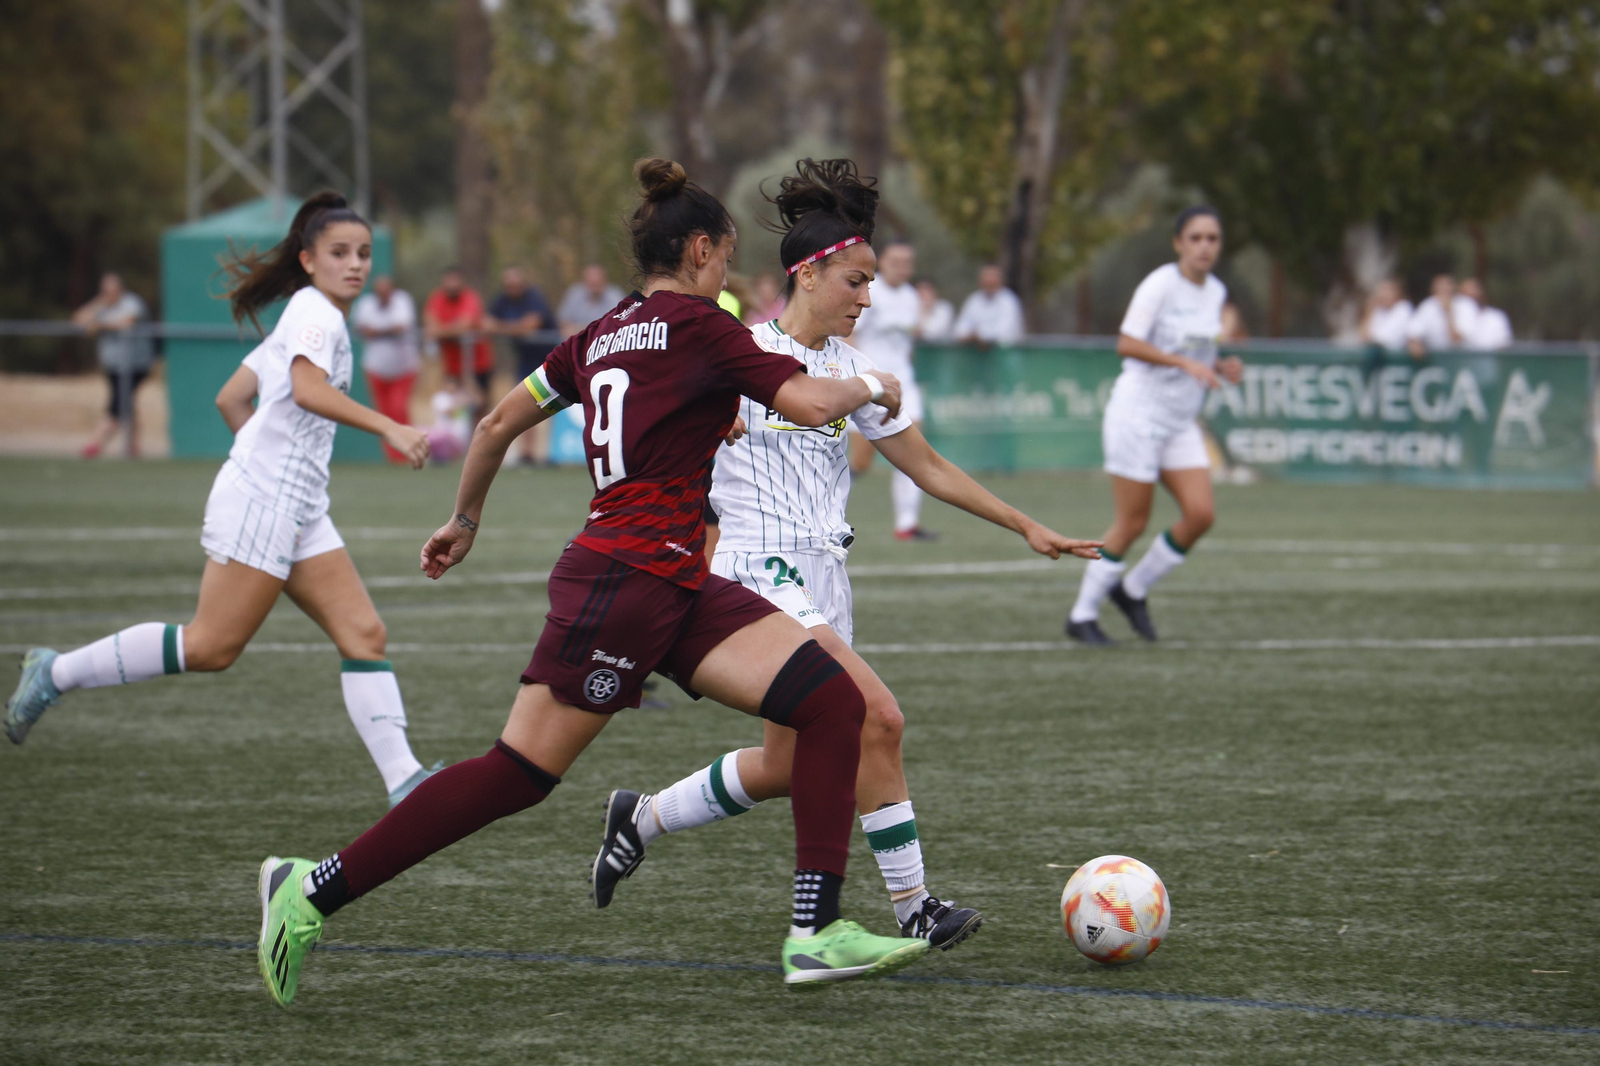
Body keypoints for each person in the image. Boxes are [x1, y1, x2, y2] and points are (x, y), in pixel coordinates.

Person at [254, 158, 929, 1007]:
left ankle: (817, 931)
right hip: (626, 578)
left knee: (834, 703)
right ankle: (310, 889)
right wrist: (872, 381)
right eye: (722, 256)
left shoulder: (600, 334)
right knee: (516, 775)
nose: (727, 273)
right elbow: (805, 402)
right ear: (697, 249)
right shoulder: (701, 324)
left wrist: (465, 519)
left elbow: (499, 420)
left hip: (674, 575)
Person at [590, 159, 1101, 952]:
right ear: (809, 274)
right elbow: (664, 424)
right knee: (876, 718)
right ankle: (915, 908)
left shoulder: (846, 372)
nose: (867, 299)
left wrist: (1026, 526)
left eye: (870, 285)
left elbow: (927, 467)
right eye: (856, 282)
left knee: (787, 765)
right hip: (759, 573)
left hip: (826, 575)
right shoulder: (738, 352)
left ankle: (641, 817)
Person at [6, 192, 440, 810]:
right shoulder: (317, 316)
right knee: (211, 646)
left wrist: (271, 469)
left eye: (364, 254)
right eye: (340, 252)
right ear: (308, 258)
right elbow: (307, 390)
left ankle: (405, 781)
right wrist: (388, 428)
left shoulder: (302, 313)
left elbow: (231, 399)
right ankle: (55, 672)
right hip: (269, 501)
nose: (356, 264)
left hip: (294, 505)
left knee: (364, 633)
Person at [1066, 206, 1243, 646]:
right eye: (1196, 237)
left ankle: (1133, 590)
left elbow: (1198, 351)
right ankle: (1082, 614)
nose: (1205, 246)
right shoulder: (1161, 284)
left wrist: (1221, 365)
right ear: (1178, 243)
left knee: (1201, 515)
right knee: (1132, 521)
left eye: (1213, 238)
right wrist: (1182, 361)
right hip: (1138, 414)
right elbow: (1127, 343)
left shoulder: (1215, 292)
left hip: (1180, 420)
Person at [849, 239, 936, 540]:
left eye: (907, 262)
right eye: (896, 261)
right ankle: (821, 508)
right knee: (860, 461)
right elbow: (850, 336)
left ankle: (907, 524)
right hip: (868, 384)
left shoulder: (912, 297)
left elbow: (907, 343)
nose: (902, 267)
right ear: (881, 262)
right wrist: (857, 379)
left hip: (903, 384)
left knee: (915, 452)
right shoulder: (869, 292)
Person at [72, 272, 156, 459]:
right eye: (106, 291)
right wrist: (98, 304)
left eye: (113, 291)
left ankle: (95, 443)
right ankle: (133, 447)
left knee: (117, 405)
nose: (110, 295)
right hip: (113, 366)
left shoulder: (132, 303)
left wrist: (99, 324)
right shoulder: (102, 306)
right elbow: (78, 320)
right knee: (127, 403)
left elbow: (126, 323)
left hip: (135, 365)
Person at [486, 267, 558, 465]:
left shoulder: (534, 297)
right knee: (527, 405)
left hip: (550, 359)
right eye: (509, 286)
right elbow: (486, 323)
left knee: (553, 405)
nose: (512, 289)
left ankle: (553, 451)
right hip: (525, 360)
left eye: (516, 286)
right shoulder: (503, 299)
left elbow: (531, 325)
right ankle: (527, 453)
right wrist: (515, 329)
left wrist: (503, 328)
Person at [351, 275, 421, 463]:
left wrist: (377, 331)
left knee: (399, 408)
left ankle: (409, 452)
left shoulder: (402, 300)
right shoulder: (366, 304)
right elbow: (364, 330)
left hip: (404, 367)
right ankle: (392, 457)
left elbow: (401, 326)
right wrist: (385, 330)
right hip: (376, 367)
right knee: (384, 412)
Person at [424, 266, 493, 420]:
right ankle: (459, 442)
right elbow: (431, 327)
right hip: (452, 365)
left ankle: (480, 442)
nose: (452, 285)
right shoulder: (437, 298)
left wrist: (442, 330)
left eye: (455, 280)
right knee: (453, 406)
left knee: (479, 406)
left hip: (477, 364)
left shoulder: (470, 298)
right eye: (448, 281)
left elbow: (465, 325)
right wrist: (452, 330)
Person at [953, 265, 1025, 349]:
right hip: (977, 356)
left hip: (1005, 355)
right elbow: (960, 328)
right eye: (986, 279)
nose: (989, 282)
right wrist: (971, 336)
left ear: (1000, 281)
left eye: (992, 279)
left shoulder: (1009, 301)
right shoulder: (974, 300)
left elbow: (1004, 332)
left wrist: (978, 335)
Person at [1406, 273, 1476, 357]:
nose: (1444, 289)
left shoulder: (1466, 305)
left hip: (1463, 358)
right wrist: (1415, 343)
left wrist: (1449, 313)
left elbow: (1457, 339)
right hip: (1436, 359)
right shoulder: (1428, 305)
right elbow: (1414, 331)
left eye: (1447, 285)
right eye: (1440, 286)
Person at [556, 262, 625, 337]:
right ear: (584, 281)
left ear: (605, 280)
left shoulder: (615, 296)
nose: (595, 285)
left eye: (597, 282)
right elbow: (564, 323)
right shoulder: (574, 294)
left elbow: (619, 324)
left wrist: (583, 329)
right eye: (592, 282)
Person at [1358, 278, 1413, 357]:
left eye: (1386, 291)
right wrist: (1368, 313)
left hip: (1397, 359)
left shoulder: (1403, 308)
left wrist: (1371, 339)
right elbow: (1364, 338)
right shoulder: (1378, 311)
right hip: (1378, 358)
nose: (1382, 295)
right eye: (1381, 291)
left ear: (1397, 292)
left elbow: (1385, 340)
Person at [1458, 278, 1512, 350]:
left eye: (1475, 291)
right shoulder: (1455, 317)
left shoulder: (1497, 316)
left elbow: (1504, 344)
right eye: (1467, 295)